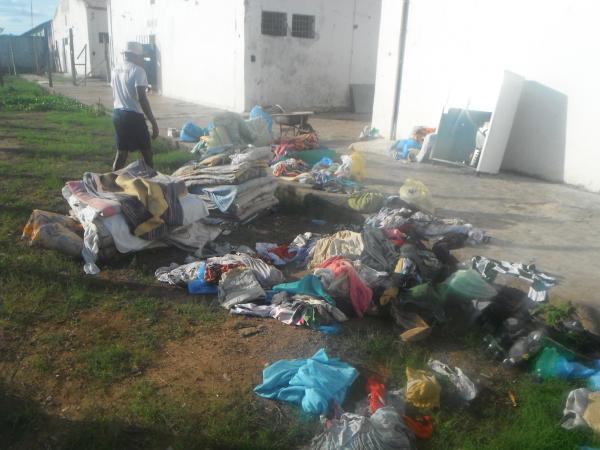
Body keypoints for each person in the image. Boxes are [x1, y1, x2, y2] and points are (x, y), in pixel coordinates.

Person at [110, 41, 159, 171]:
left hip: (117, 114)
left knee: (121, 152)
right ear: (136, 56)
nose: (142, 59)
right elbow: (142, 98)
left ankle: (111, 182)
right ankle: (151, 182)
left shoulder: (115, 69)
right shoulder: (138, 71)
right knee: (147, 152)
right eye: (141, 57)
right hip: (133, 116)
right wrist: (153, 122)